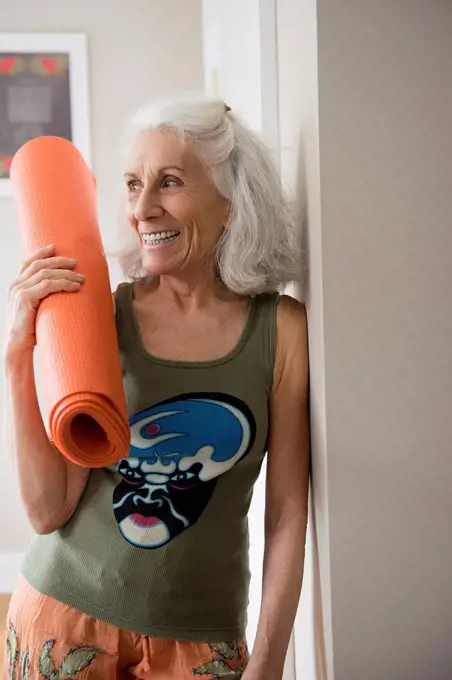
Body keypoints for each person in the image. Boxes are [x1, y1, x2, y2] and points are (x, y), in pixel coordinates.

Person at [3, 97, 310, 680]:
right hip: (64, 621)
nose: (142, 209)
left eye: (168, 182)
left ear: (230, 201)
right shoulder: (101, 318)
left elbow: (288, 510)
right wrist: (18, 353)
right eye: (131, 185)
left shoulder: (282, 330)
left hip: (201, 641)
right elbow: (48, 511)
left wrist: (270, 656)